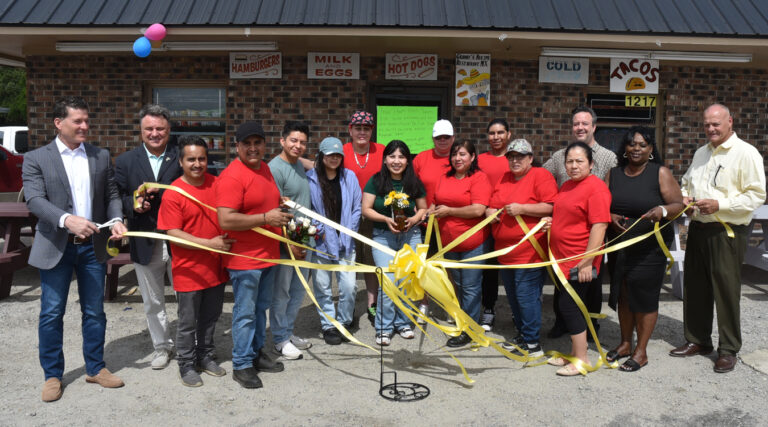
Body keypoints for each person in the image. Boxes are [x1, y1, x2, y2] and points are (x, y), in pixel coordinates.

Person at [23, 96, 128, 402]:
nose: (84, 126)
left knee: (94, 311)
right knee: (52, 312)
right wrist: (67, 220)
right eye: (77, 121)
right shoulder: (36, 158)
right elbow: (34, 200)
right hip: (55, 245)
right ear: (59, 123)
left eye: (86, 120)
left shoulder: (100, 156)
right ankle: (52, 375)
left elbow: (111, 194)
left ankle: (95, 367)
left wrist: (116, 219)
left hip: (92, 247)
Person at [670, 104, 766, 373]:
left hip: (727, 231)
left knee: (725, 291)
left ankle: (728, 349)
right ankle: (698, 340)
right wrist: (685, 197)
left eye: (716, 124)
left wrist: (720, 205)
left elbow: (756, 195)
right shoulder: (701, 152)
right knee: (695, 287)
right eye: (707, 124)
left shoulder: (746, 153)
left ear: (730, 122)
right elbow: (686, 182)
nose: (711, 129)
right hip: (699, 228)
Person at [216, 122, 292, 389]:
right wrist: (265, 217)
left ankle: (256, 353)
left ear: (264, 144)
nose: (252, 148)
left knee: (260, 310)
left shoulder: (265, 169)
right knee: (246, 313)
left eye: (257, 143)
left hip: (267, 255)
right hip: (245, 260)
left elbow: (262, 202)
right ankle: (242, 363)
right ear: (237, 146)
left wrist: (278, 204)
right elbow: (226, 219)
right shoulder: (232, 176)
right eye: (246, 143)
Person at [604, 127, 684, 372]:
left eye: (642, 145)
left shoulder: (660, 173)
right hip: (619, 247)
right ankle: (625, 344)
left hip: (650, 249)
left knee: (644, 296)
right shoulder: (613, 174)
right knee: (623, 293)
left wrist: (662, 210)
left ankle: (641, 351)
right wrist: (610, 215)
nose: (636, 149)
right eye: (632, 144)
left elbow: (678, 205)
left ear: (650, 149)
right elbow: (601, 204)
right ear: (625, 148)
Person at [157, 135, 232, 387]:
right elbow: (173, 234)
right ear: (180, 162)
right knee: (188, 322)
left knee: (211, 317)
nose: (197, 164)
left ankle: (205, 355)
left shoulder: (218, 184)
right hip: (188, 270)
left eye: (201, 158)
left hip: (216, 266)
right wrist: (210, 244)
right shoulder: (173, 193)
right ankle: (186, 364)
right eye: (191, 159)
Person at [114, 104, 181, 370]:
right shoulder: (126, 161)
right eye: (149, 129)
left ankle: (189, 344)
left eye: (160, 128)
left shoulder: (182, 157)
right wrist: (133, 205)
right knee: (153, 300)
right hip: (144, 239)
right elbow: (116, 197)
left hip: (179, 238)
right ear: (141, 131)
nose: (155, 133)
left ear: (169, 130)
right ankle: (162, 346)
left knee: (187, 296)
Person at [543, 106, 617, 340]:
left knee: (590, 283)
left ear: (594, 126)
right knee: (562, 286)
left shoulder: (608, 156)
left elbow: (615, 187)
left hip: (592, 228)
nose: (580, 127)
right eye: (576, 124)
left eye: (585, 123)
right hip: (566, 226)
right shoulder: (560, 156)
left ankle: (590, 327)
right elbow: (542, 176)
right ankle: (563, 324)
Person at [544, 141, 611, 376]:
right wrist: (552, 223)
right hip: (561, 259)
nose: (574, 166)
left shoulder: (596, 188)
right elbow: (567, 215)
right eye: (569, 161)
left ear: (591, 164)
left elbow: (599, 226)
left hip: (579, 260)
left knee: (569, 306)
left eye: (579, 161)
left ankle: (582, 359)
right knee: (571, 305)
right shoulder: (566, 186)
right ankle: (574, 353)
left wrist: (587, 262)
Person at [487, 139, 557, 358]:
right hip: (505, 252)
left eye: (520, 156)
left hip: (529, 252)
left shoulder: (540, 176)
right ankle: (523, 334)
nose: (515, 160)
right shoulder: (504, 178)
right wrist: (490, 212)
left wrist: (522, 208)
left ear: (530, 158)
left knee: (527, 297)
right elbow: (493, 204)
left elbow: (551, 206)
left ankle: (533, 342)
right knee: (514, 297)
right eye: (511, 156)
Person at [362, 140, 428, 346]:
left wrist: (413, 220)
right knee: (388, 282)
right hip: (383, 237)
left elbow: (423, 208)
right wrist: (385, 219)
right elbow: (366, 209)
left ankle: (404, 323)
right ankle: (384, 327)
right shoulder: (376, 181)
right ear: (385, 159)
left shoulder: (414, 182)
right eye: (392, 156)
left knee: (407, 281)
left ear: (408, 161)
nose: (396, 161)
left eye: (401, 157)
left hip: (410, 236)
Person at [430, 139, 492, 348]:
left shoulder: (479, 178)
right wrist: (431, 210)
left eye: (463, 154)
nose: (457, 158)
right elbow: (436, 201)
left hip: (473, 243)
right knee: (459, 284)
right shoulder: (444, 177)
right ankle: (465, 320)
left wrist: (449, 211)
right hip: (449, 243)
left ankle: (469, 330)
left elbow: (478, 209)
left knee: (470, 287)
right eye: (455, 154)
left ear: (473, 157)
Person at [307, 137, 362, 345]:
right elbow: (308, 209)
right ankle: (329, 325)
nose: (334, 158)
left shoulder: (350, 177)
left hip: (345, 242)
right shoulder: (310, 179)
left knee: (349, 286)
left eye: (338, 155)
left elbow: (357, 208)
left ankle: (344, 321)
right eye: (330, 155)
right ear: (321, 156)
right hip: (321, 242)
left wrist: (349, 231)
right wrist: (320, 230)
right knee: (323, 286)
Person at [268, 121, 313, 360]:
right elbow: (276, 210)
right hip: (287, 239)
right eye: (293, 140)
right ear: (282, 141)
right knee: (282, 292)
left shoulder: (298, 165)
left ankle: (287, 331)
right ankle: (279, 339)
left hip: (304, 237)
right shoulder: (275, 168)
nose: (298, 146)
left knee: (298, 290)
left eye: (303, 142)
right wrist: (290, 243)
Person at [342, 111, 384, 324]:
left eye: (366, 128)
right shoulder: (341, 151)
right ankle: (347, 307)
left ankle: (372, 304)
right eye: (358, 128)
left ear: (371, 131)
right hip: (346, 215)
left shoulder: (382, 151)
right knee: (347, 259)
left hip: (374, 215)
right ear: (350, 130)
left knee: (371, 260)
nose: (362, 132)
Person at [413, 119, 455, 321]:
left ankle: (450, 304)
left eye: (447, 137)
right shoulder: (422, 158)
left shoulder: (458, 157)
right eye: (439, 137)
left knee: (450, 266)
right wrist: (415, 207)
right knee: (425, 264)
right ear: (433, 138)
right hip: (425, 221)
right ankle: (424, 303)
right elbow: (411, 185)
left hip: (451, 221)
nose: (443, 140)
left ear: (453, 138)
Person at [477, 118, 512, 331]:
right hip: (486, 222)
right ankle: (488, 308)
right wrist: (486, 209)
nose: (496, 137)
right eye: (492, 133)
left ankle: (518, 311)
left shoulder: (517, 158)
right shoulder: (479, 160)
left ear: (509, 134)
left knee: (514, 269)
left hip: (513, 223)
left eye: (500, 132)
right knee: (488, 269)